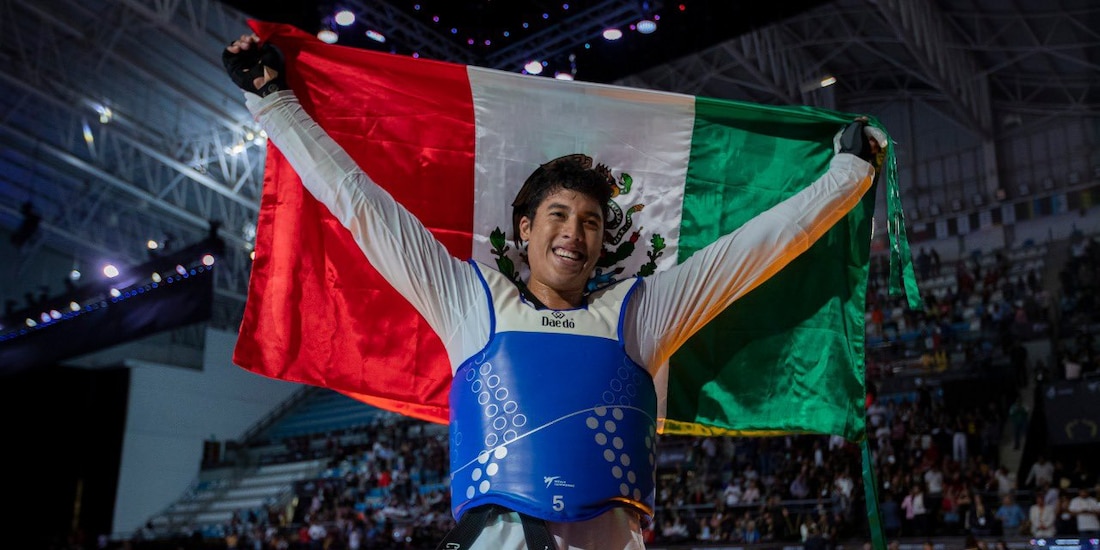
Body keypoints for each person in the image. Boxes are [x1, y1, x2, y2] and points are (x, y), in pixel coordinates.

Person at [223, 33, 882, 550]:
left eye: (591, 222)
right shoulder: (468, 301)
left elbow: (756, 250)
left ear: (603, 240)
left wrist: (848, 177)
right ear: (526, 229)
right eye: (559, 217)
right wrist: (274, 103)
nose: (574, 234)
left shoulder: (641, 313)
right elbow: (360, 206)